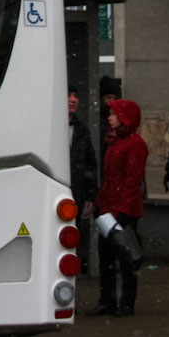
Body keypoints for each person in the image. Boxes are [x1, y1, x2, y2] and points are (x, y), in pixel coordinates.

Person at [89, 98, 147, 317]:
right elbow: (110, 179)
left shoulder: (134, 144)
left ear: (124, 118)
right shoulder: (115, 142)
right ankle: (108, 300)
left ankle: (125, 302)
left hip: (124, 210)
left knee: (125, 258)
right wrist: (100, 203)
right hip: (110, 208)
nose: (110, 118)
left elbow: (132, 181)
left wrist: (121, 210)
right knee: (106, 256)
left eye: (113, 115)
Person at [67, 87, 97, 274]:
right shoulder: (49, 127)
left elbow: (90, 164)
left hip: (75, 192)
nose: (73, 100)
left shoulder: (81, 129)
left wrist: (90, 195)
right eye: (68, 96)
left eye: (76, 96)